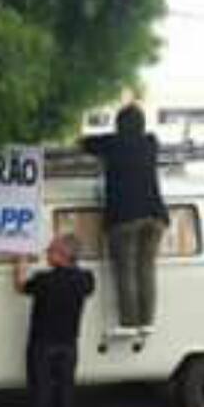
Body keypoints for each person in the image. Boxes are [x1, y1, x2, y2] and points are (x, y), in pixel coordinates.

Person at [81, 103, 168, 331]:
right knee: (146, 268)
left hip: (125, 216)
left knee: (125, 270)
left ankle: (129, 322)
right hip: (155, 214)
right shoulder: (151, 142)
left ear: (118, 125)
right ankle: (147, 321)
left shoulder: (112, 144)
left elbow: (86, 143)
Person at [14, 235, 96, 407]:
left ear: (61, 255)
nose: (46, 254)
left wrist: (21, 260)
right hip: (69, 344)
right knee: (65, 391)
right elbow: (84, 283)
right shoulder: (86, 279)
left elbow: (20, 286)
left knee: (40, 391)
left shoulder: (44, 280)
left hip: (42, 343)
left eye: (50, 250)